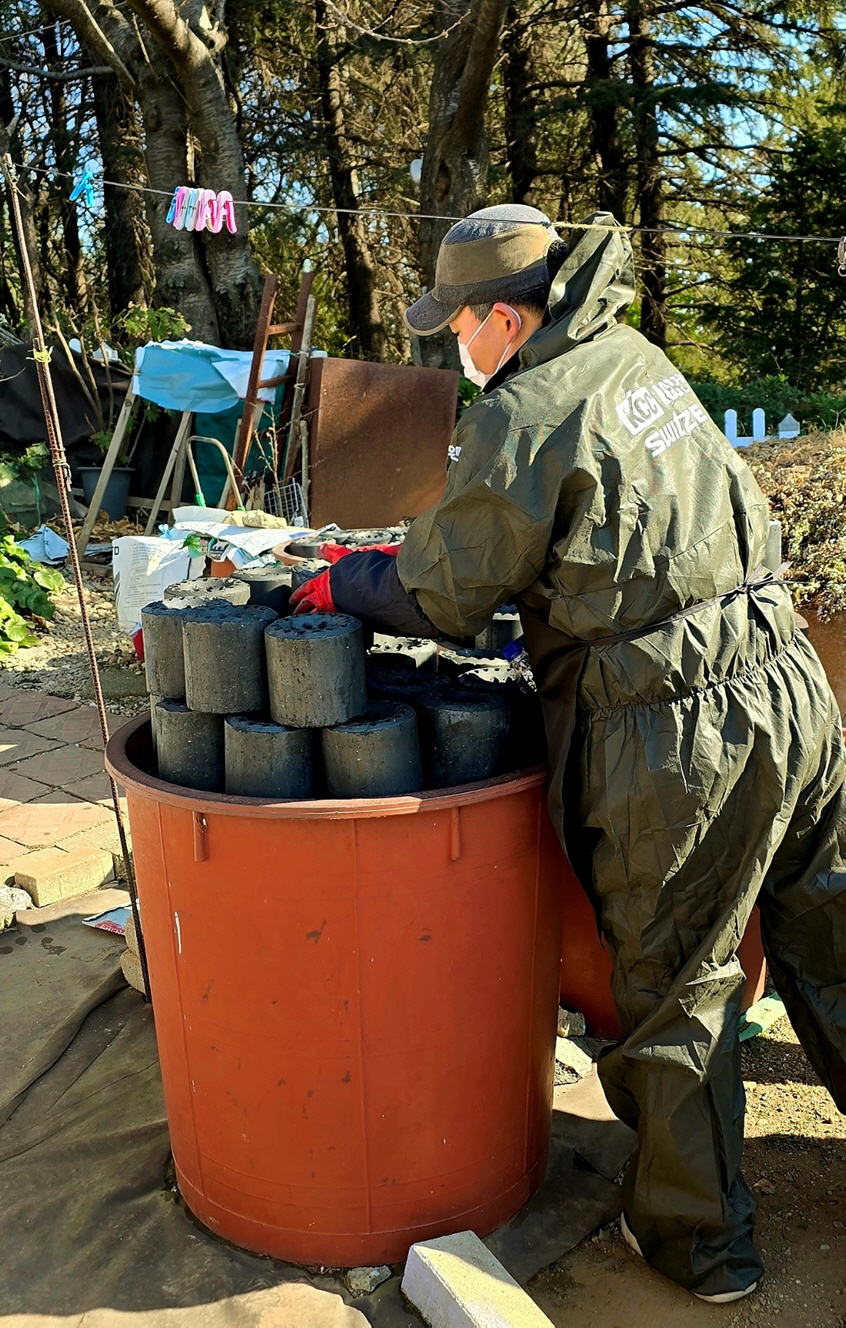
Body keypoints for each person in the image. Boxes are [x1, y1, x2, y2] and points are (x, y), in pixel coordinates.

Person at [279, 204, 846, 1303]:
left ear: (503, 315)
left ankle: (702, 1248)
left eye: (456, 325)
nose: (452, 343)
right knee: (832, 927)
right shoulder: (630, 356)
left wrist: (341, 581)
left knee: (677, 984)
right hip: (790, 681)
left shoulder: (525, 408)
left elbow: (441, 592)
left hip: (681, 728)